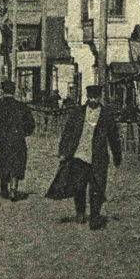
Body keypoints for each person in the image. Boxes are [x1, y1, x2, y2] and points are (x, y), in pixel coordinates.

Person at [47, 84, 122, 230]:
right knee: (79, 186)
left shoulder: (106, 115)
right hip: (79, 155)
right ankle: (80, 212)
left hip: (98, 157)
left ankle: (94, 216)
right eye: (91, 97)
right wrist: (63, 150)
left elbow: (114, 137)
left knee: (97, 187)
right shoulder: (78, 112)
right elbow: (68, 132)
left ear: (100, 97)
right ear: (87, 97)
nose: (93, 100)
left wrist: (117, 156)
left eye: (96, 97)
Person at [0, 80, 34, 200]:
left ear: (3, 90)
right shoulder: (21, 106)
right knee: (16, 163)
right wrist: (23, 133)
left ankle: (4, 189)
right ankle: (13, 189)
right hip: (17, 140)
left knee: (3, 162)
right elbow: (31, 124)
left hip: (2, 141)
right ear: (14, 91)